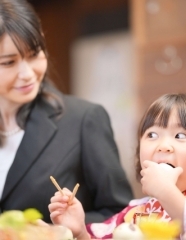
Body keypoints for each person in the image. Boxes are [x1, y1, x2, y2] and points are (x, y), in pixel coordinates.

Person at [0, 0, 133, 224]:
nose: (27, 73)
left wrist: (64, 229)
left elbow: (120, 214)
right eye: (9, 62)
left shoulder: (83, 120)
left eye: (34, 54)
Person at [49, 92, 186, 239]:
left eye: (180, 136)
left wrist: (167, 193)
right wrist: (80, 231)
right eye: (152, 135)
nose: (163, 146)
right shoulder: (133, 213)